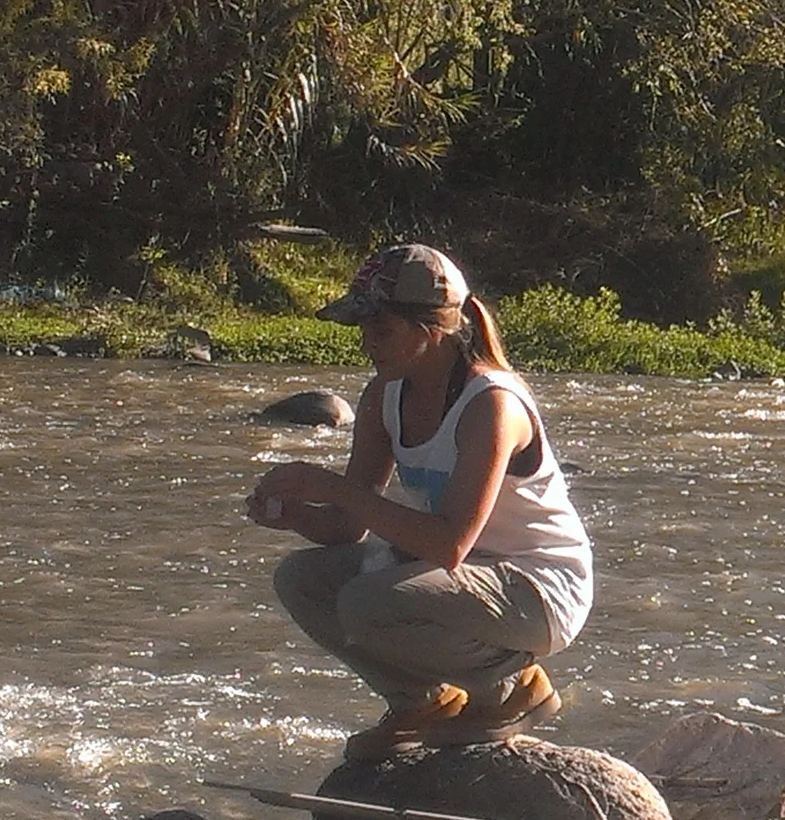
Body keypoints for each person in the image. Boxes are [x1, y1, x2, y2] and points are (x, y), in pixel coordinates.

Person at [247, 244, 592, 760]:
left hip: (537, 586)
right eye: (363, 330)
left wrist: (331, 487)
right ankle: (421, 702)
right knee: (301, 579)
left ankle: (510, 686)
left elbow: (450, 544)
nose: (367, 344)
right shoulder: (383, 396)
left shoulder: (491, 405)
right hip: (459, 575)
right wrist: (296, 514)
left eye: (381, 330)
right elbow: (348, 526)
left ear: (431, 330)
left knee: (367, 601)